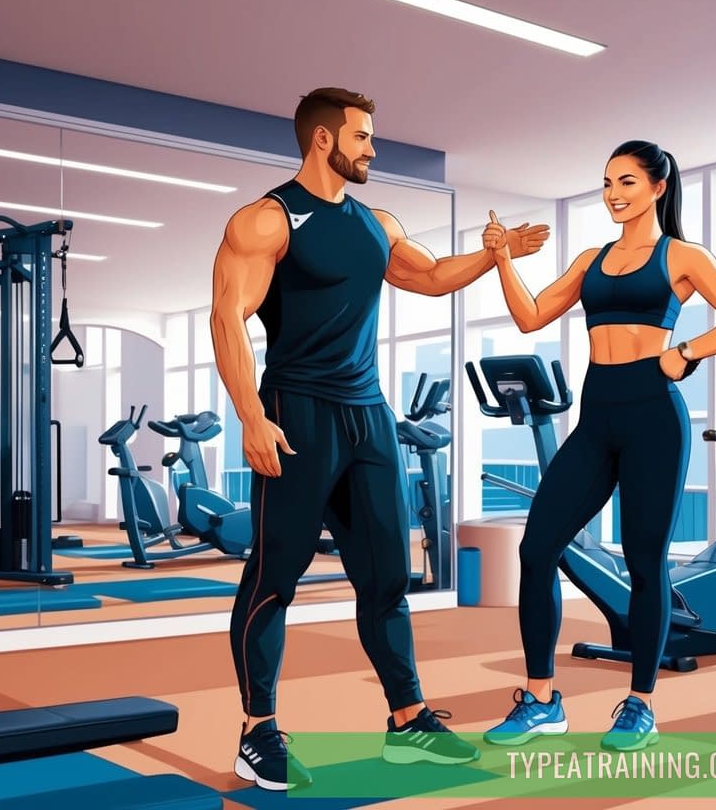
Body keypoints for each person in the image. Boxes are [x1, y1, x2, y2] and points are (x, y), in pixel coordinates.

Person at [210, 86, 549, 791]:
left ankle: (407, 719)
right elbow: (226, 317)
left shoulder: (376, 222)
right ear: (324, 139)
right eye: (362, 136)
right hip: (297, 411)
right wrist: (250, 414)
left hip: (368, 415)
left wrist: (496, 256)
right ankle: (257, 730)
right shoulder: (267, 220)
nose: (372, 148)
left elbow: (429, 276)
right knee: (275, 576)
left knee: (387, 576)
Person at [480, 141, 716, 752]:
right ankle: (541, 701)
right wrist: (502, 258)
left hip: (653, 415)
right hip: (597, 416)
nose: (613, 193)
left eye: (627, 181)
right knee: (537, 547)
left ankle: (640, 705)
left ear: (658, 187)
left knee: (644, 560)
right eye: (608, 182)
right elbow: (531, 316)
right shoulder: (592, 259)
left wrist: (687, 352)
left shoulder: (682, 256)